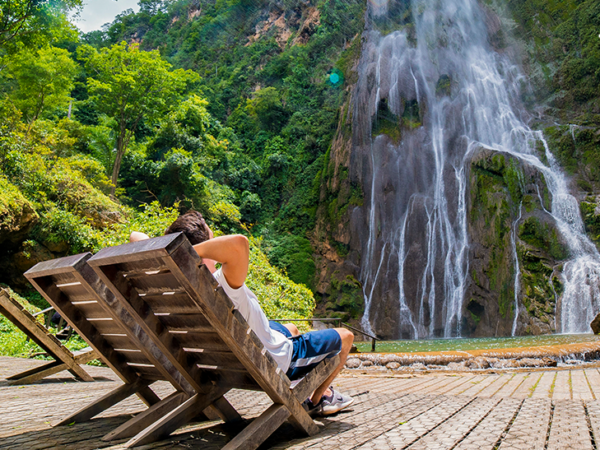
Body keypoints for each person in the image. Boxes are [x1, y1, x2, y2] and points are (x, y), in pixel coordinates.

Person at [130, 211, 354, 415]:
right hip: (273, 361)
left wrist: (175, 258)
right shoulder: (220, 284)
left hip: (227, 363)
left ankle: (307, 389)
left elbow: (134, 235)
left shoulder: (174, 287)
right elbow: (239, 243)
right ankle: (317, 401)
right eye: (212, 235)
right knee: (346, 336)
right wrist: (186, 255)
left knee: (291, 329)